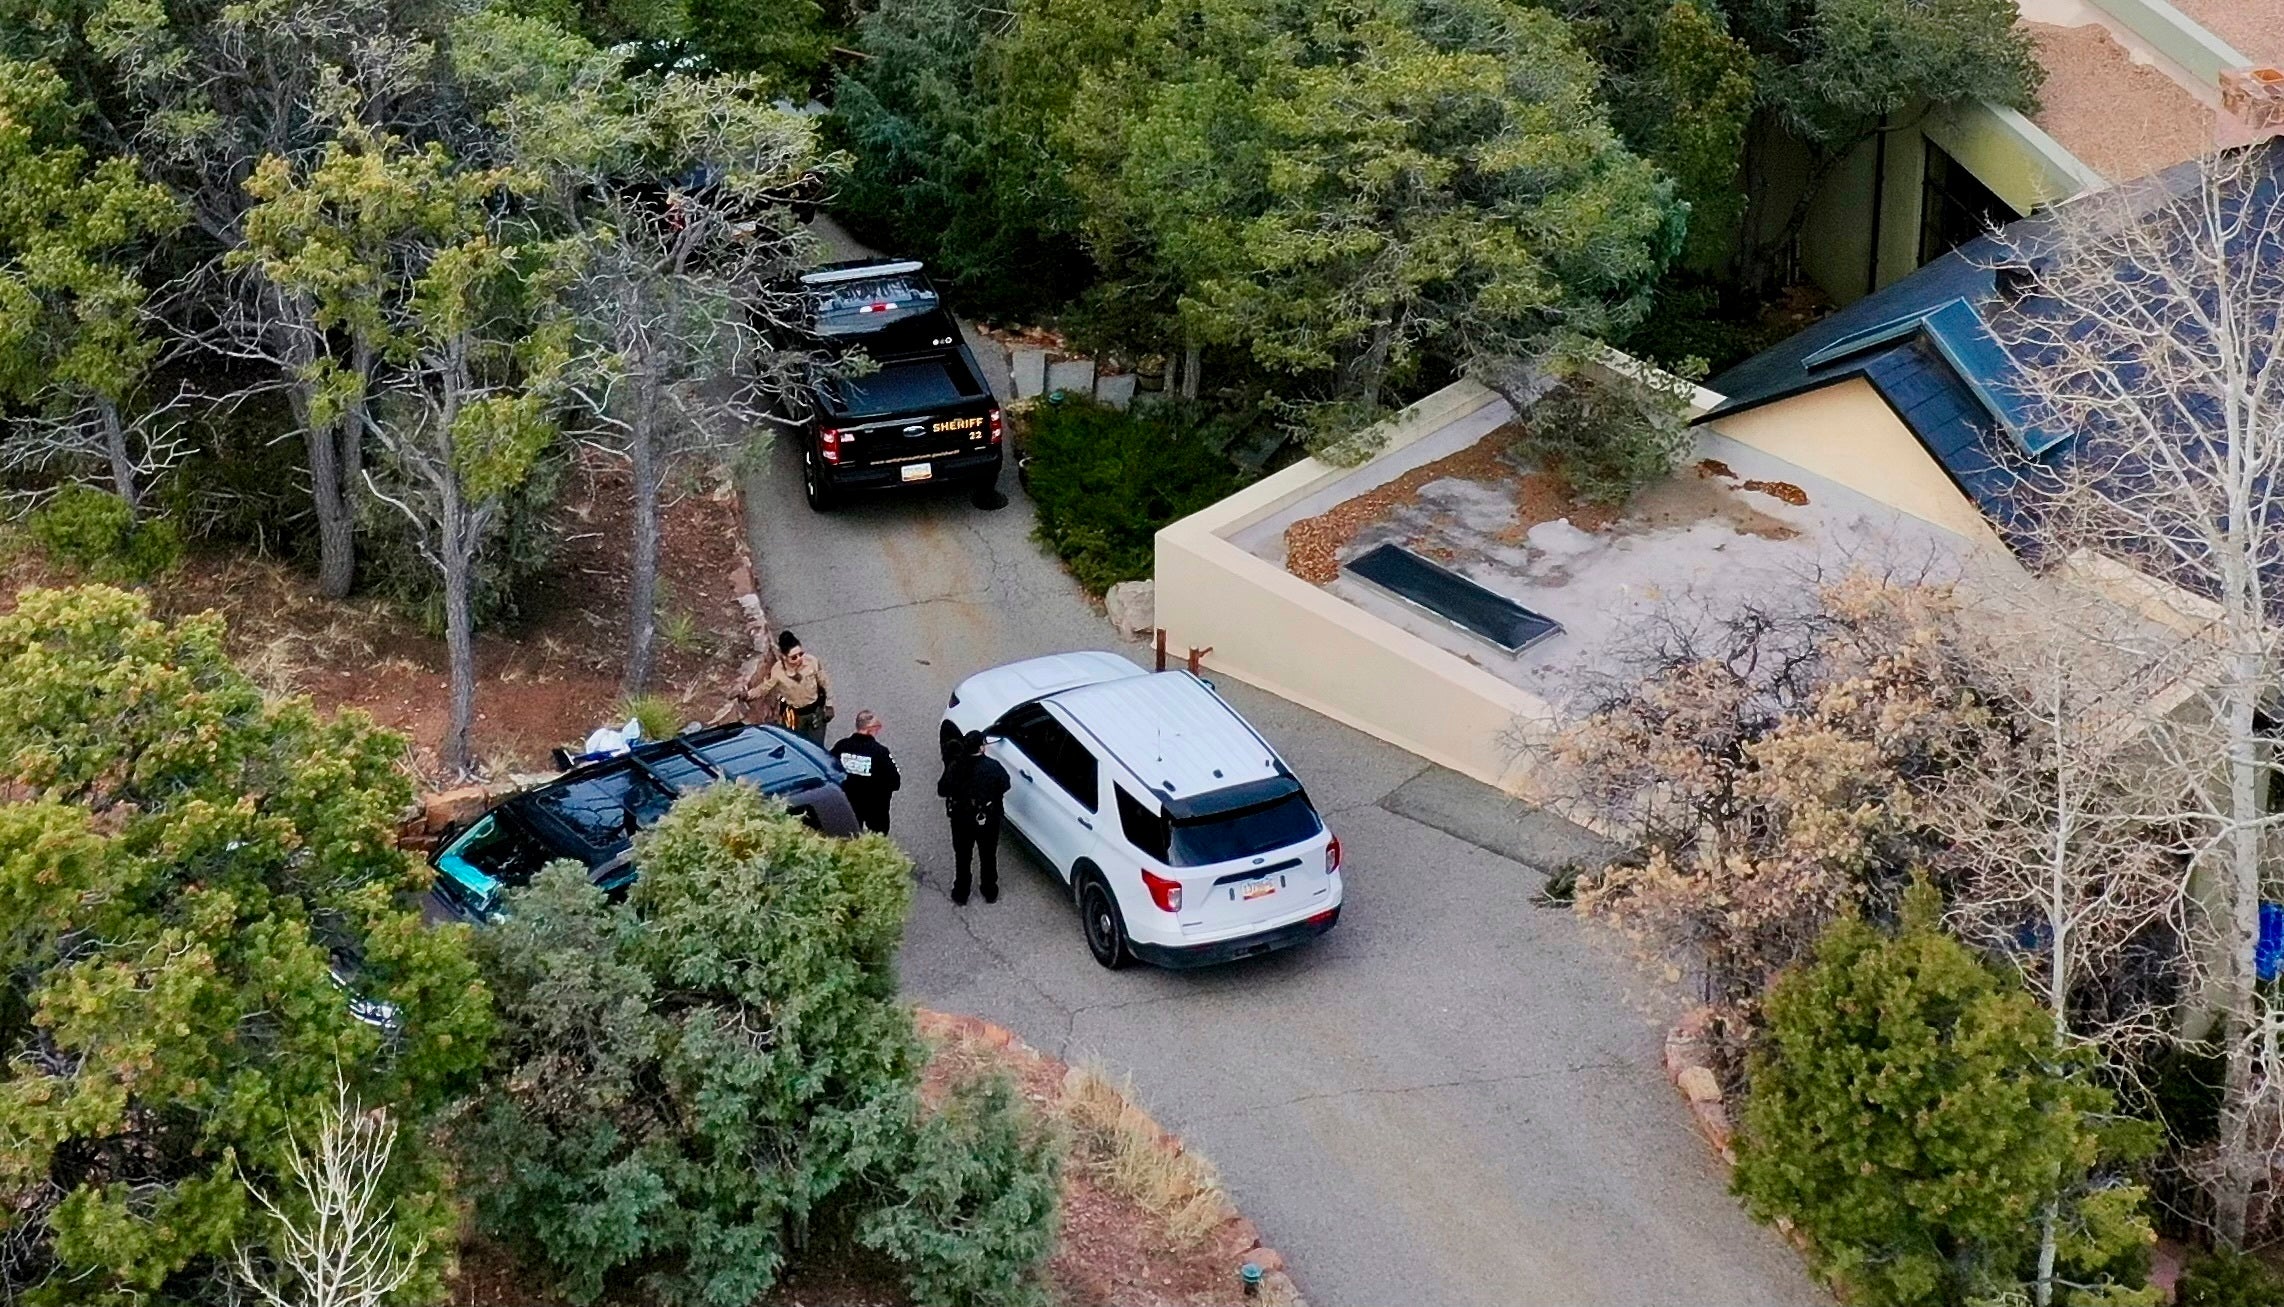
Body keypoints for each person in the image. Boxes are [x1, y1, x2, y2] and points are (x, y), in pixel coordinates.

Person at [937, 729, 1010, 905]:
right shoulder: (993, 767)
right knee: (988, 855)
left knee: (962, 856)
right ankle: (989, 890)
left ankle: (961, 892)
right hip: (988, 817)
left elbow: (942, 790)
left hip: (961, 818)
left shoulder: (956, 767)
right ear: (982, 747)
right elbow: (1005, 784)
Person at [742, 630, 833, 745]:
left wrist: (829, 705)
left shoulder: (812, 662)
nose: (799, 659)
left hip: (815, 712)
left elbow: (825, 682)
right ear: (784, 657)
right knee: (798, 745)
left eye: (801, 654)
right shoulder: (777, 671)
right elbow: (764, 688)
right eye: (794, 657)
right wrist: (747, 695)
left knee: (817, 746)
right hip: (795, 716)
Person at [829, 709, 901, 834]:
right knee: (876, 838)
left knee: (848, 837)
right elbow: (895, 781)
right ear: (871, 729)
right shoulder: (880, 752)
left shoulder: (841, 746)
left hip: (846, 803)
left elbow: (828, 769)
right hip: (874, 806)